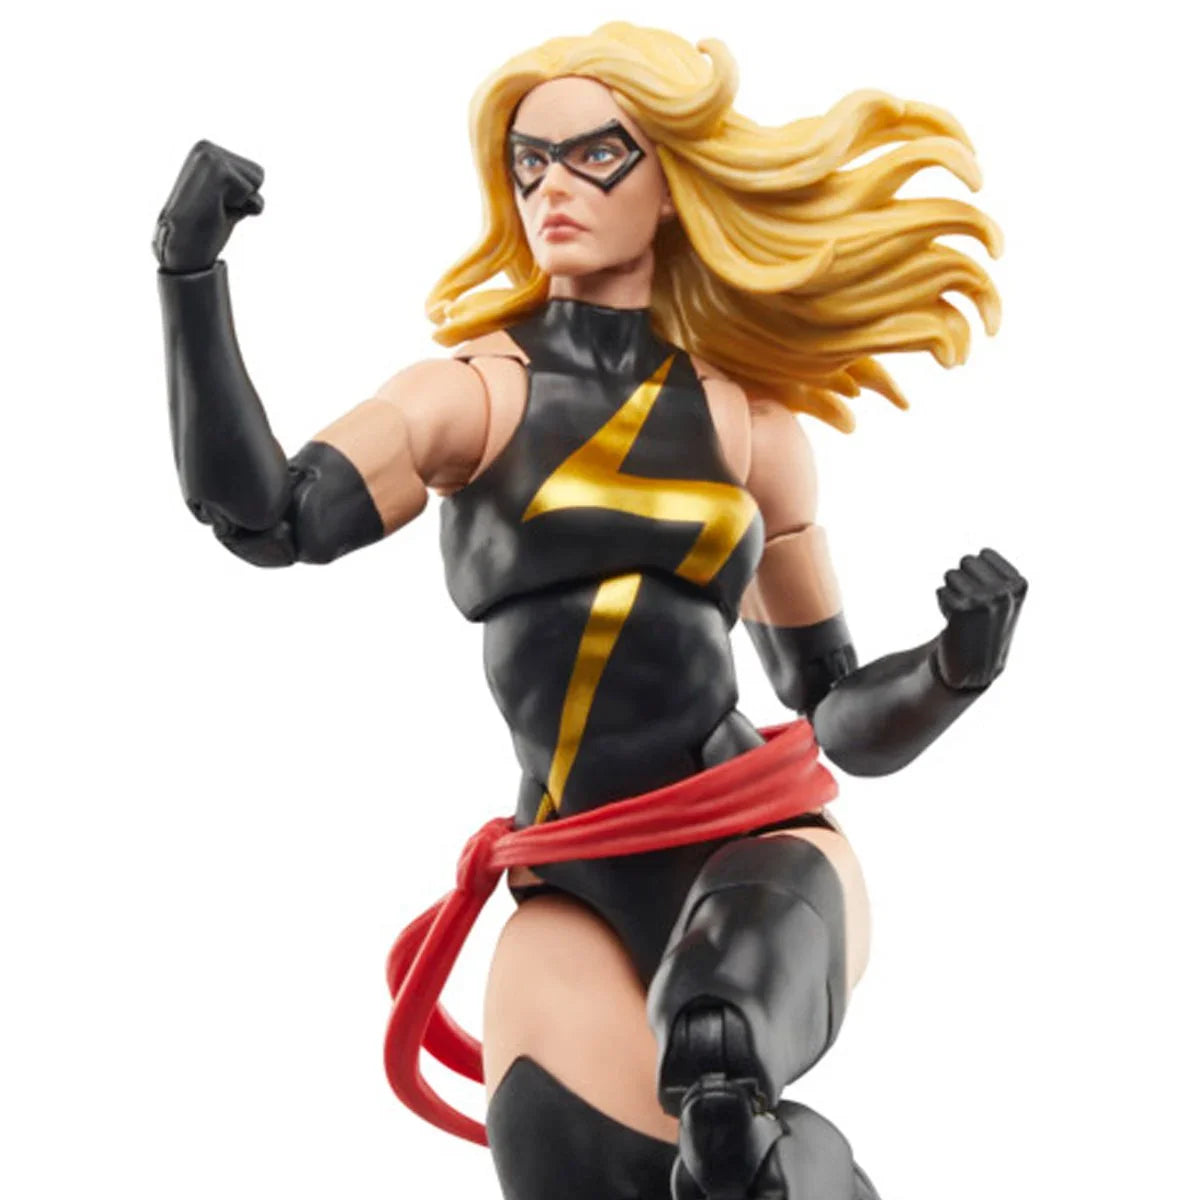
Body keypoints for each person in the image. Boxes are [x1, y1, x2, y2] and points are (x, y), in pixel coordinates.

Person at [153, 22, 1026, 1200]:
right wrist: (189, 276)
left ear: (670, 183)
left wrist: (951, 670)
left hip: (746, 845)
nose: (553, 186)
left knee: (716, 1044)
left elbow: (833, 712)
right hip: (573, 876)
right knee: (573, 1168)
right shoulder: (474, 397)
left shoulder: (749, 427)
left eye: (595, 155)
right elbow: (267, 515)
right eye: (529, 162)